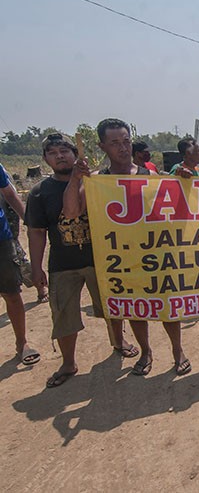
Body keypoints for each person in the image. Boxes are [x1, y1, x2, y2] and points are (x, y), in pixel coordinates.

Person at [64, 118, 191, 376]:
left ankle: (178, 350)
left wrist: (184, 181)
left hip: (154, 253)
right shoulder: (97, 180)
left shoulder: (150, 176)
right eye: (115, 143)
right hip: (120, 258)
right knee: (134, 307)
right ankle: (146, 351)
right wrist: (76, 179)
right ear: (102, 147)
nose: (123, 148)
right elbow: (72, 212)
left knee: (167, 304)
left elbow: (178, 210)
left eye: (126, 141)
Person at [26, 134, 140, 387]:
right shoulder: (39, 193)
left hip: (101, 259)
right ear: (45, 159)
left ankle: (119, 341)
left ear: (75, 154)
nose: (60, 156)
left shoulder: (98, 183)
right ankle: (68, 362)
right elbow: (36, 232)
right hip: (62, 263)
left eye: (64, 150)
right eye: (53, 152)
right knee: (64, 314)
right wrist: (36, 268)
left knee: (112, 305)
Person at [0, 161, 39, 367]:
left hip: (1, 239)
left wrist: (30, 221)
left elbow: (10, 195)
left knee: (12, 293)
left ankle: (21, 343)